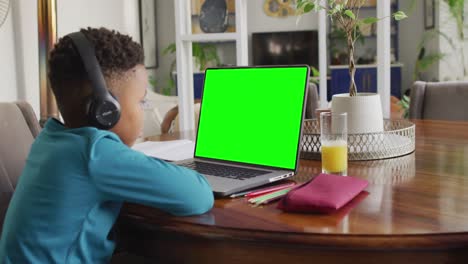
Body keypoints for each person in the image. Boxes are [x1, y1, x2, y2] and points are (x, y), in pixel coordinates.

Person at [0, 27, 214, 263]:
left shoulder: (50, 138)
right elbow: (198, 196)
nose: (142, 109)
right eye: (141, 101)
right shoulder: (94, 154)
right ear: (106, 110)